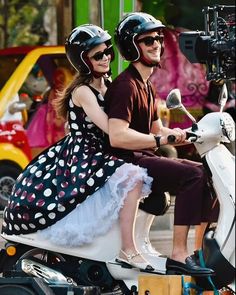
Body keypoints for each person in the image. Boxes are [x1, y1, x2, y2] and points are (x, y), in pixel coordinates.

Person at [1, 24, 154, 271]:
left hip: (103, 152)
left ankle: (121, 247)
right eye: (98, 55)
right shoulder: (83, 91)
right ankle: (128, 250)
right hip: (86, 156)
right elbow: (111, 128)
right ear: (83, 61)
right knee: (133, 178)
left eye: (108, 53)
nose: (105, 58)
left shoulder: (109, 83)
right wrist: (146, 137)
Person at [104, 12, 218, 276]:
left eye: (158, 38)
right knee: (192, 175)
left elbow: (157, 128)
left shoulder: (146, 84)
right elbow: (117, 136)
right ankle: (178, 253)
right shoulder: (126, 87)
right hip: (126, 161)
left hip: (143, 156)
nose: (157, 43)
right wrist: (158, 139)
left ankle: (198, 251)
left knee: (207, 173)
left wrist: (188, 134)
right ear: (133, 47)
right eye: (148, 40)